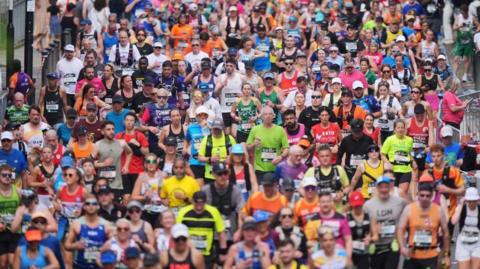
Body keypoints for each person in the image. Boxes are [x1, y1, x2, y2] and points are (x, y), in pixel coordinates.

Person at [397, 181, 450, 269]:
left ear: (431, 196)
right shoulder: (409, 209)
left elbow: (446, 233)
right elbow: (400, 229)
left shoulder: (438, 210)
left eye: (427, 196)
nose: (424, 198)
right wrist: (402, 247)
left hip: (431, 256)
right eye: (422, 195)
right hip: (412, 255)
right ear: (418, 195)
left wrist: (447, 254)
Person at [363, 176, 406, 269]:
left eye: (386, 187)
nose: (383, 190)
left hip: (392, 245)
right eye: (381, 187)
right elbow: (363, 224)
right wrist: (367, 236)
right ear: (377, 188)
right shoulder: (368, 205)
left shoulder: (399, 202)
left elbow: (410, 212)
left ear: (390, 187)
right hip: (376, 246)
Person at [176, 191, 227, 267]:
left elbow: (221, 233)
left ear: (206, 202)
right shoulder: (183, 212)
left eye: (202, 203)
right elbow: (177, 232)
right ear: (192, 201)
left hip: (207, 254)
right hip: (188, 253)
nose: (199, 206)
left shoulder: (213, 211)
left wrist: (223, 252)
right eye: (196, 203)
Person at [64, 194, 113, 269]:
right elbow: (67, 245)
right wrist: (75, 246)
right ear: (84, 207)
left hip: (100, 265)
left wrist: (103, 248)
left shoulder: (106, 225)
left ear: (98, 206)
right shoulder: (77, 224)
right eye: (88, 204)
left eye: (94, 204)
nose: (91, 206)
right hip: (80, 265)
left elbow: (115, 245)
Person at [203, 162, 244, 244]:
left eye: (225, 173)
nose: (223, 176)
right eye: (219, 174)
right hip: (212, 233)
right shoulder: (206, 190)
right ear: (213, 175)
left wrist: (239, 231)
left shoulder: (235, 191)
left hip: (230, 234)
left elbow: (241, 212)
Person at [247, 106, 289, 180]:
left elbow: (286, 148)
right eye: (265, 114)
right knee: (262, 190)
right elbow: (247, 147)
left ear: (273, 116)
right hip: (260, 168)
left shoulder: (280, 130)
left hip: (276, 167)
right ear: (261, 117)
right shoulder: (255, 129)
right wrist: (254, 144)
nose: (268, 116)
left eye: (270, 114)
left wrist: (281, 157)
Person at [131, 153, 167, 226]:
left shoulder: (163, 175)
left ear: (157, 163)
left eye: (153, 162)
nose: (151, 164)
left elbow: (169, 194)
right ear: (145, 164)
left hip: (161, 210)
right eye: (148, 162)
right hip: (146, 210)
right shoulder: (141, 177)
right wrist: (144, 197)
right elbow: (133, 196)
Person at [197, 118, 236, 182]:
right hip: (210, 175)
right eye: (215, 129)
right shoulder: (206, 140)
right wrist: (210, 159)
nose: (217, 131)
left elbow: (235, 155)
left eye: (219, 129)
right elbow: (199, 158)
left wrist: (230, 159)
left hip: (226, 174)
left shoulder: (229, 139)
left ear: (222, 129)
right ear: (212, 129)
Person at [381, 119, 414, 196]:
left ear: (405, 128)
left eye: (402, 127)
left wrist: (413, 163)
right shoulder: (389, 140)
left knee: (402, 194)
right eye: (398, 127)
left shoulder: (410, 140)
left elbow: (411, 154)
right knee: (391, 194)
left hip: (406, 170)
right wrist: (388, 163)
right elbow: (382, 154)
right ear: (395, 129)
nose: (400, 129)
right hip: (393, 170)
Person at [337, 119, 374, 185]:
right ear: (351, 130)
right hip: (350, 172)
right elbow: (339, 156)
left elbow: (374, 155)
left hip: (365, 172)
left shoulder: (369, 140)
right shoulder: (345, 140)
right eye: (355, 132)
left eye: (359, 132)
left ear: (362, 129)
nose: (357, 134)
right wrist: (338, 171)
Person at [347, 191, 377, 269]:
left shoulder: (369, 216)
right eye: (355, 206)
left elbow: (376, 235)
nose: (357, 208)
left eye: (359, 205)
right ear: (351, 205)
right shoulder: (346, 218)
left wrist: (370, 239)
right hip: (350, 252)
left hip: (364, 252)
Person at [451, 187, 480, 269]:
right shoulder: (462, 208)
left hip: (477, 243)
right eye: (469, 201)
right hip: (463, 244)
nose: (471, 204)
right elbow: (453, 221)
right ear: (466, 200)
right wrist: (460, 205)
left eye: (474, 201)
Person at [0, 164, 22, 269]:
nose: (7, 177)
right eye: (4, 175)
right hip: (1, 231)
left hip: (15, 230)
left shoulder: (17, 191)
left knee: (13, 262)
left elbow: (27, 206)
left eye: (10, 175)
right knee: (3, 263)